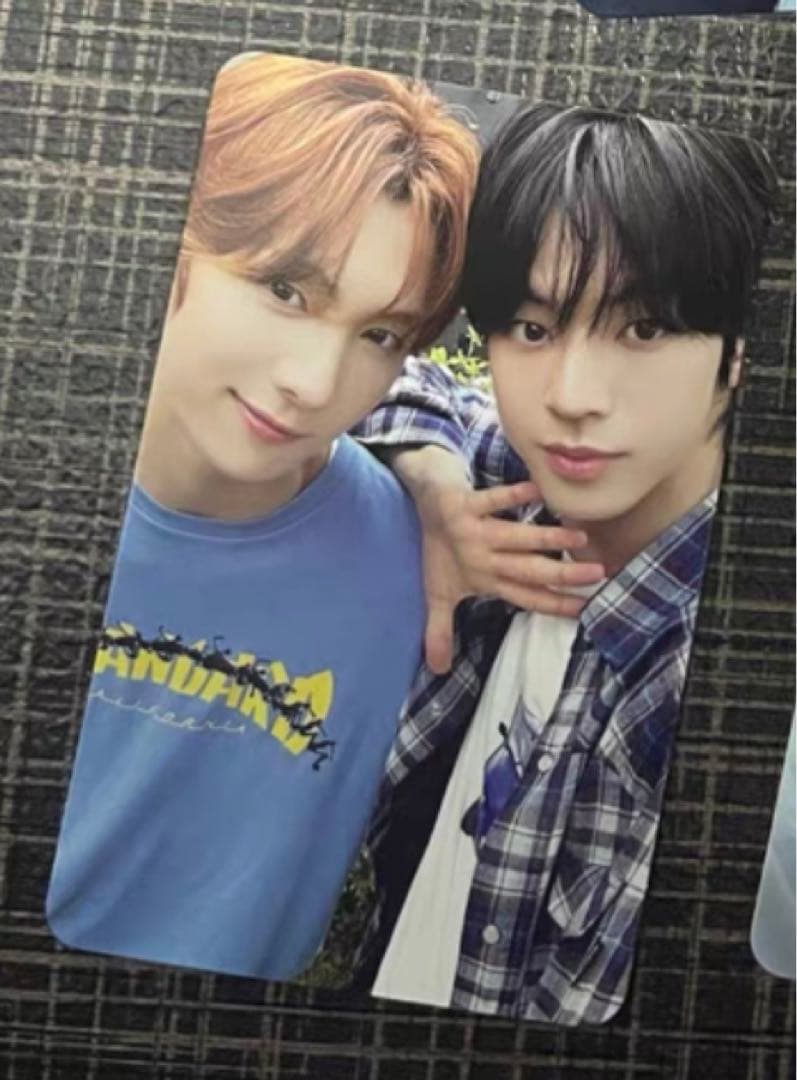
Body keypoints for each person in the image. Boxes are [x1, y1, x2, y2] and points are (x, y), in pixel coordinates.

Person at [44, 51, 485, 982]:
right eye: (286, 290)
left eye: (378, 334)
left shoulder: (411, 557)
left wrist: (435, 477)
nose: (315, 385)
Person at [351, 102, 778, 1024]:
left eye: (644, 328)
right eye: (532, 328)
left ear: (742, 350)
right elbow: (383, 381)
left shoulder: (703, 694)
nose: (572, 399)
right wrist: (434, 491)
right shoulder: (512, 487)